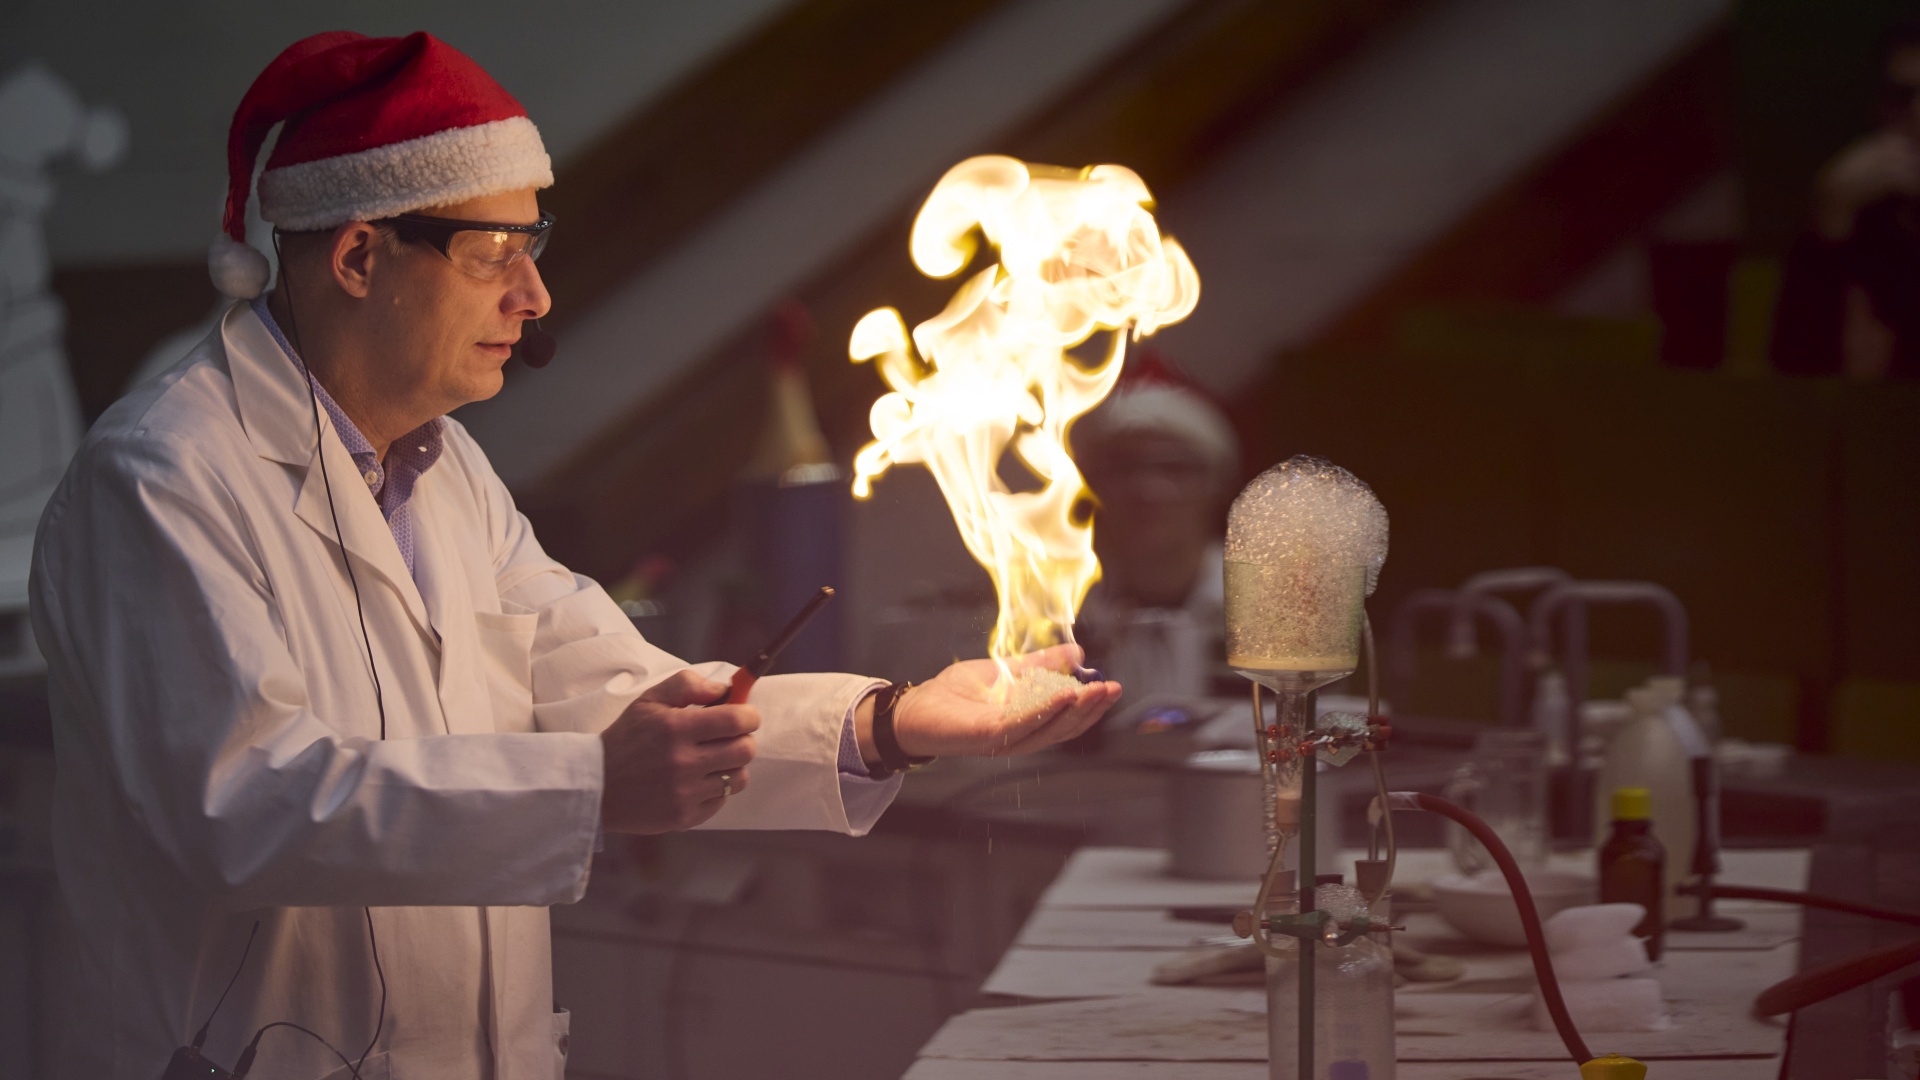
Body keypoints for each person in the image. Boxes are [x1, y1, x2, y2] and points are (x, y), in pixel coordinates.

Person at [28, 32, 1119, 1080]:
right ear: (360, 255)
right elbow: (249, 807)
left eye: (532, 250)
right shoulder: (162, 480)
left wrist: (892, 722)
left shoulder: (442, 469)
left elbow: (613, 690)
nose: (535, 297)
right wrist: (592, 787)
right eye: (493, 253)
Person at [1073, 359, 1240, 703]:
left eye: (1173, 467)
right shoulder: (1062, 611)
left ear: (1216, 482)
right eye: (1125, 466)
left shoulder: (1270, 606)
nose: (1148, 489)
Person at [1773, 17, 1920, 379]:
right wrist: (1830, 220)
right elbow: (1795, 374)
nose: (1917, 116)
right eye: (1902, 97)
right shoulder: (1869, 213)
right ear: (1879, 107)